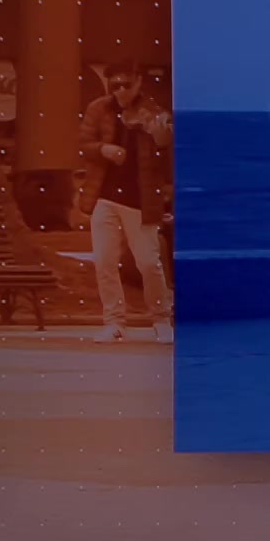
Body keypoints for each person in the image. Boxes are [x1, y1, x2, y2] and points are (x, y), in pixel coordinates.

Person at [78, 61, 174, 344]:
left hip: (139, 200)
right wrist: (103, 149)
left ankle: (160, 319)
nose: (120, 91)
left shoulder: (152, 110)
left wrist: (157, 132)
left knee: (149, 263)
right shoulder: (98, 108)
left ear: (138, 82)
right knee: (104, 261)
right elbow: (84, 144)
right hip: (104, 196)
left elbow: (165, 145)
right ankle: (114, 321)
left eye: (126, 85)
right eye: (115, 85)